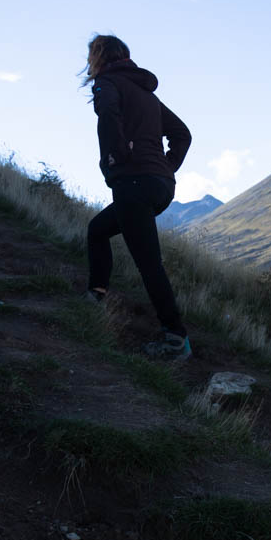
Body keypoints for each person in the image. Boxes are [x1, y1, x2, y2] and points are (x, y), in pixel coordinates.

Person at [82, 34, 193, 360]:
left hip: (134, 182)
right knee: (98, 230)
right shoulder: (146, 95)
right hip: (158, 185)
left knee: (149, 264)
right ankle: (96, 293)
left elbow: (108, 116)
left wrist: (117, 158)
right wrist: (165, 168)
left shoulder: (106, 85)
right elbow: (182, 134)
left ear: (98, 57)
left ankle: (176, 338)